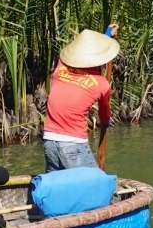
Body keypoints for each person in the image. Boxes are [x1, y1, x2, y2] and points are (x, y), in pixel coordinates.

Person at [42, 27, 120, 171]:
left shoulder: (61, 67)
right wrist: (106, 121)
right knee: (92, 186)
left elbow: (82, 53)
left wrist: (106, 35)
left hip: (49, 142)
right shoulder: (102, 84)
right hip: (74, 144)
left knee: (58, 187)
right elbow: (105, 116)